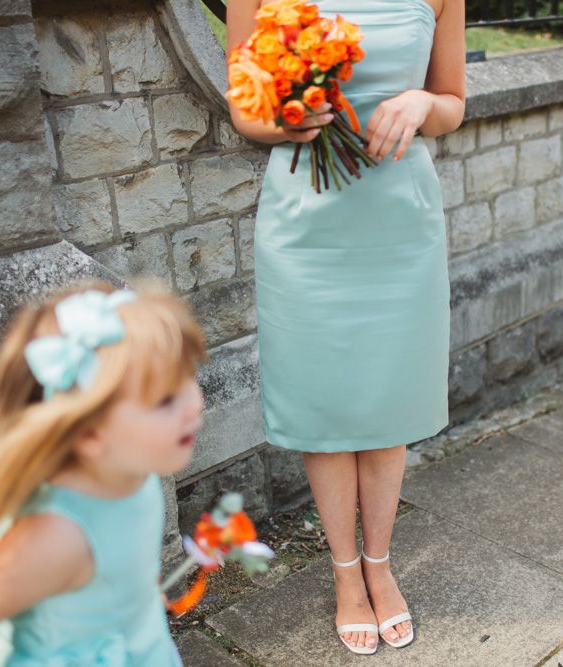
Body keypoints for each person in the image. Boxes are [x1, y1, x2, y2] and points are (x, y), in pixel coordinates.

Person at [227, 0, 465, 655]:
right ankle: (344, 576)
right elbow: (244, 109)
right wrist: (289, 119)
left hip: (398, 220)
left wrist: (420, 103)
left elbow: (452, 102)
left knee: (385, 399)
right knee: (324, 399)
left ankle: (380, 564)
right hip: (306, 227)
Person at [0, 282, 207, 666]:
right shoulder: (55, 538)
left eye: (189, 376)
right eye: (165, 399)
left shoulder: (136, 475)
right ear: (89, 435)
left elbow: (126, 558)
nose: (193, 403)